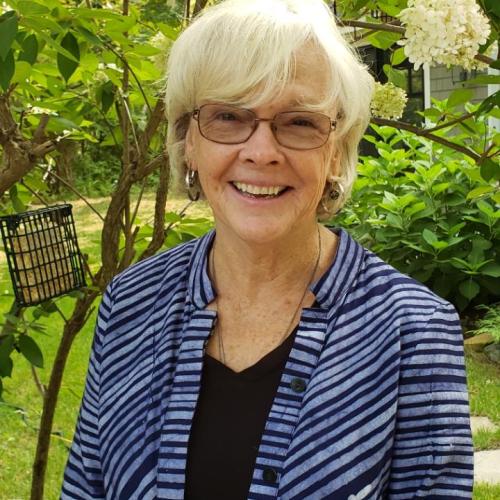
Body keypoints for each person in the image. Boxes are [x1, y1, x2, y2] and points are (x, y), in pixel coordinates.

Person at [61, 0, 473, 498]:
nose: (261, 151)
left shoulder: (414, 330)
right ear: (188, 143)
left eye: (300, 122)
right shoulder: (130, 301)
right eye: (228, 116)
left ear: (338, 150)